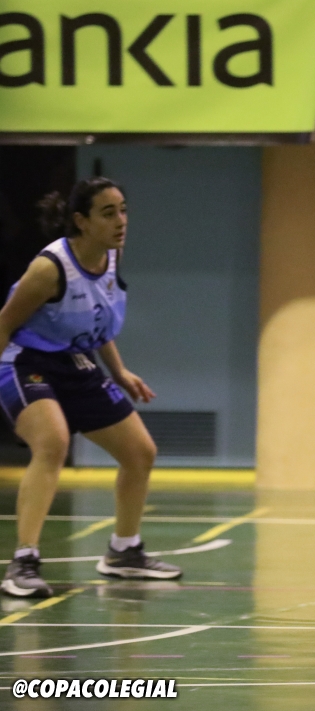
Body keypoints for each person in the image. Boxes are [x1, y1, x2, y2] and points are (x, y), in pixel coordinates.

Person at [0, 177, 182, 598]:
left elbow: (95, 319)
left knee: (140, 453)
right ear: (81, 221)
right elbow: (5, 322)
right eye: (108, 213)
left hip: (74, 360)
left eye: (123, 210)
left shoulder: (112, 257)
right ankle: (23, 562)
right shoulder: (49, 269)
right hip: (25, 360)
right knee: (53, 443)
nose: (121, 221)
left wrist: (119, 371)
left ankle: (124, 552)